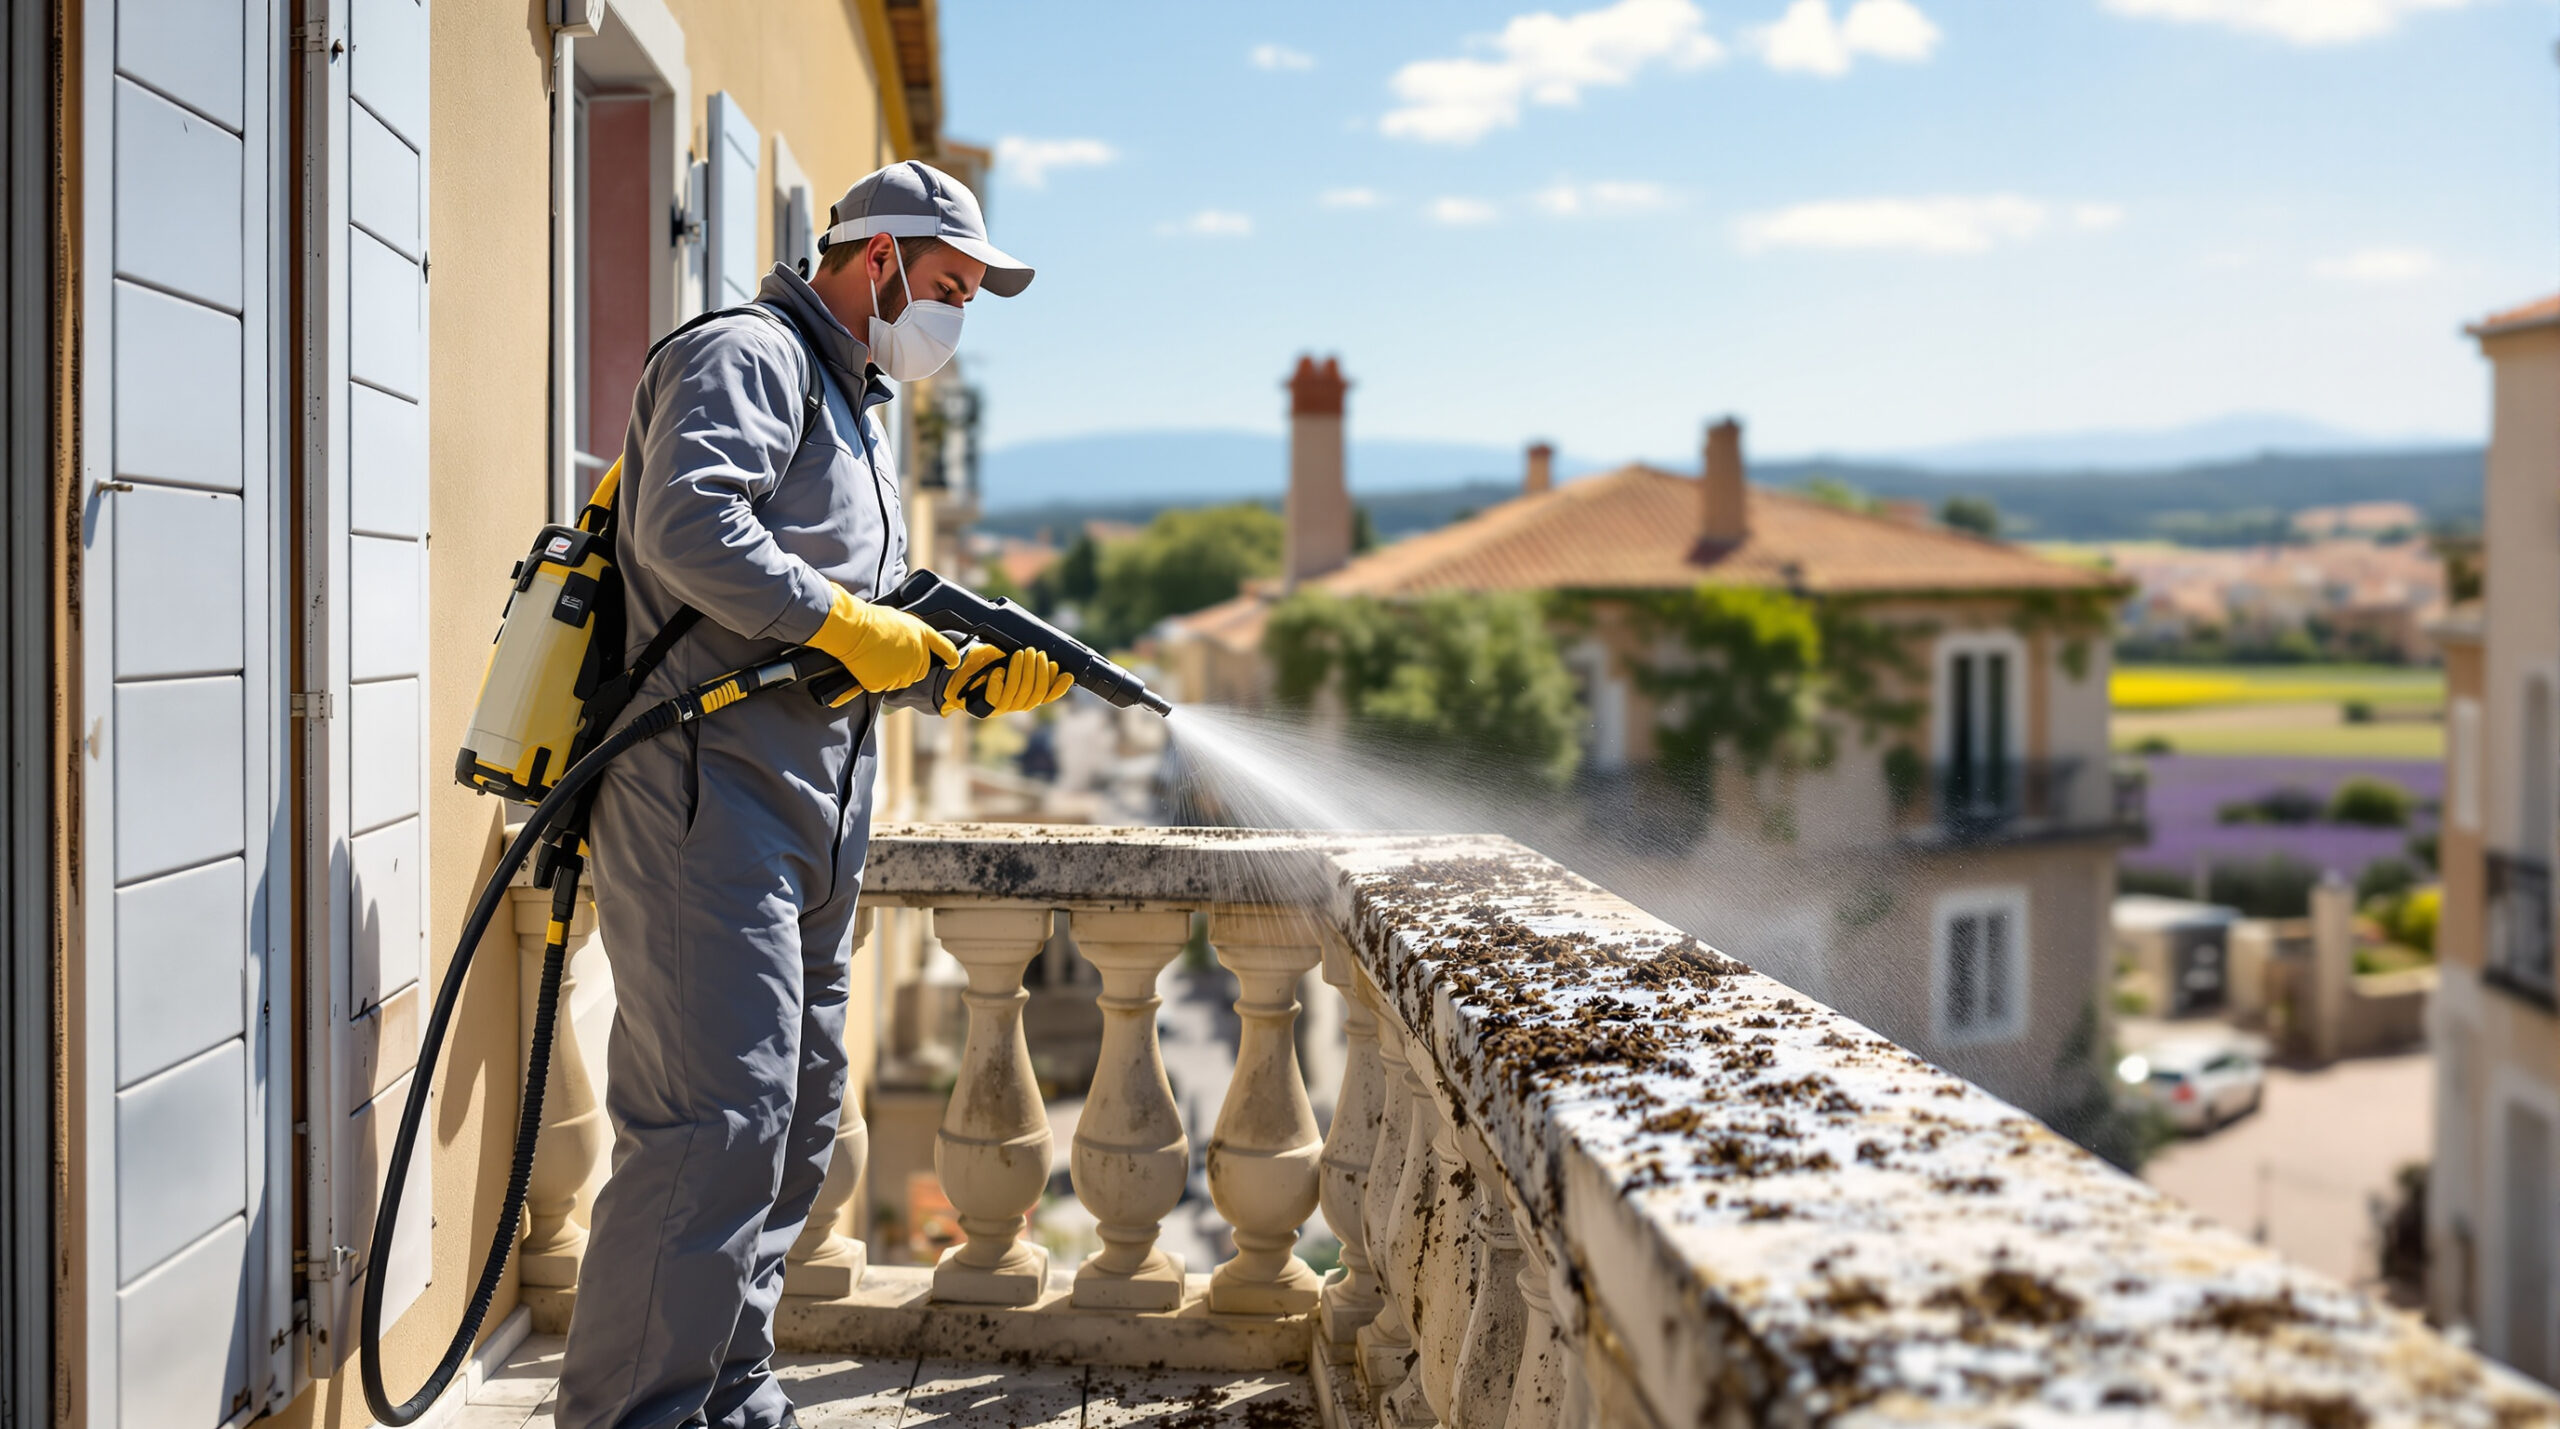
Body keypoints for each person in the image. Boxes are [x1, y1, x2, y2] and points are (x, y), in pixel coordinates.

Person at [557, 161, 1067, 1429]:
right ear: (878, 256)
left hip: (813, 812)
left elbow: (836, 636)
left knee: (790, 1128)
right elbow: (688, 527)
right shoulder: (750, 355)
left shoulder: (855, 412)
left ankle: (729, 1396)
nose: (953, 316)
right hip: (703, 798)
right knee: (709, 1131)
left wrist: (951, 675)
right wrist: (850, 623)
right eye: (947, 286)